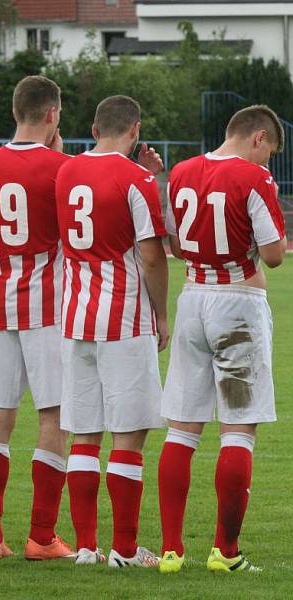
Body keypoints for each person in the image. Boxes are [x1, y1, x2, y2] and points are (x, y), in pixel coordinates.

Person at [158, 105, 287, 574]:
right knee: (238, 428)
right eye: (268, 152)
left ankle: (171, 550)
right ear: (257, 137)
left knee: (182, 427)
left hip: (192, 297)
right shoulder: (254, 179)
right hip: (237, 302)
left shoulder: (183, 170)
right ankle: (225, 552)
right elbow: (274, 255)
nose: (267, 163)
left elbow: (174, 244)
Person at [55, 95, 168, 568]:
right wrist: (162, 314)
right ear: (136, 129)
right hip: (123, 315)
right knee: (129, 433)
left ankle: (86, 546)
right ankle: (124, 549)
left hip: (76, 313)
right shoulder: (136, 179)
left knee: (85, 433)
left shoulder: (66, 172)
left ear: (94, 127)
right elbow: (153, 254)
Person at [0, 75, 74, 560]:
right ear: (52, 114)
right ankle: (41, 535)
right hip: (48, 303)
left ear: (17, 111)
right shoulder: (63, 167)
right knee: (54, 415)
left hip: (0, 297)